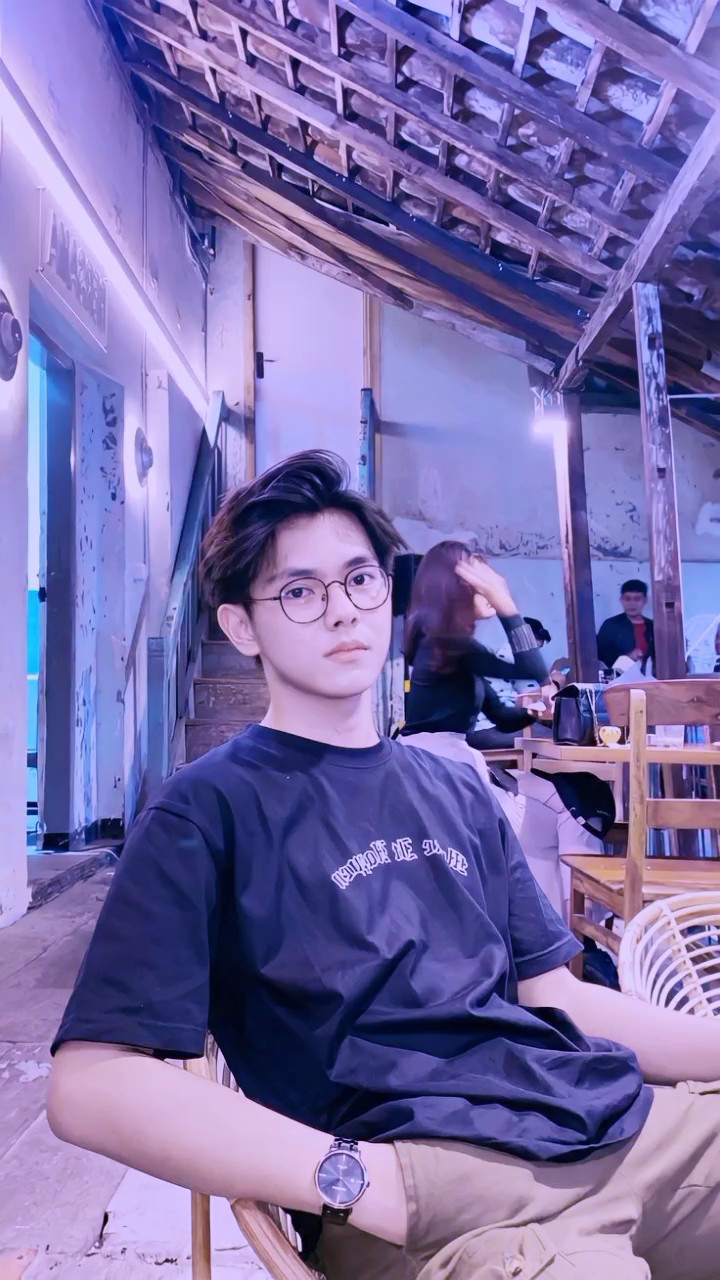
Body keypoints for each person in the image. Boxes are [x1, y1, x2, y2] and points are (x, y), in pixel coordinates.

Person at [48, 451, 720, 1280]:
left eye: (360, 580)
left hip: (615, 1125)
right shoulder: (205, 811)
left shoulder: (457, 790)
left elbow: (561, 998)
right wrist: (352, 1180)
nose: (342, 611)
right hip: (433, 1191)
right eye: (301, 592)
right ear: (241, 628)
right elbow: (91, 1086)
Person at [401, 542, 605, 914]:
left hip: (447, 769)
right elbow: (532, 670)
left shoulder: (451, 647)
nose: (493, 586)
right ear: (457, 588)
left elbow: (502, 716)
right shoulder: (449, 644)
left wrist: (534, 714)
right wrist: (507, 605)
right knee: (568, 808)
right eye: (483, 581)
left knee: (566, 804)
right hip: (442, 776)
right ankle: (575, 920)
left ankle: (569, 922)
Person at [597, 579, 655, 673]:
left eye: (637, 599)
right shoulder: (610, 626)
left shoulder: (653, 626)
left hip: (651, 678)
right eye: (627, 599)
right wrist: (627, 659)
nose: (632, 604)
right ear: (621, 600)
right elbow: (601, 660)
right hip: (619, 679)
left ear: (645, 600)